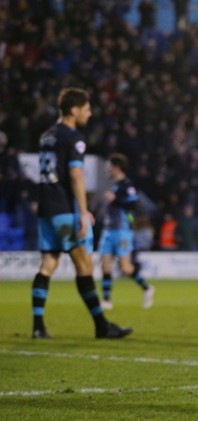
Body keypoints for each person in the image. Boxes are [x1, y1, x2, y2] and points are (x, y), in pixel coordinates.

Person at [31, 87, 132, 340]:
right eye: (87, 108)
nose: (90, 113)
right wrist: (83, 212)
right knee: (84, 264)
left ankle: (38, 326)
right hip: (64, 209)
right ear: (74, 110)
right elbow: (76, 175)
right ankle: (101, 326)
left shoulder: (47, 136)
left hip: (45, 207)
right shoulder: (73, 137)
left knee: (48, 264)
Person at [98, 153, 155, 310]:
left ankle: (147, 288)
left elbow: (134, 204)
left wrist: (115, 199)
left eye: (109, 166)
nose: (107, 169)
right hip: (108, 230)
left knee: (125, 268)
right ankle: (107, 300)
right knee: (105, 265)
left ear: (117, 167)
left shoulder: (126, 185)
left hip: (122, 231)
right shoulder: (114, 185)